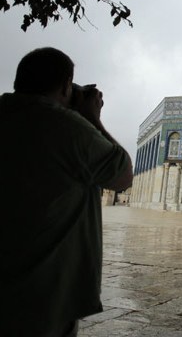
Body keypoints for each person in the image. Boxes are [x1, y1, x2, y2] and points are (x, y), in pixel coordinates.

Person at [0, 47, 133, 337]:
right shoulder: (64, 126)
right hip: (43, 295)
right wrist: (92, 118)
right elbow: (122, 176)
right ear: (65, 86)